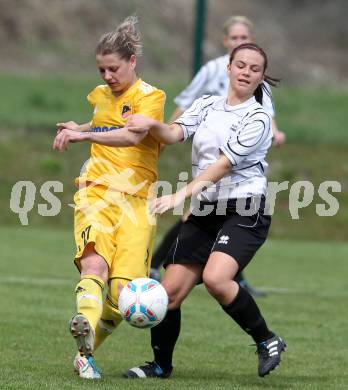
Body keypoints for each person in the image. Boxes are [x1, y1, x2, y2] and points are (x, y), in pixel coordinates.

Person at [123, 43, 286, 379]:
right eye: (240, 65)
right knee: (168, 294)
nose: (245, 72)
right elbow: (173, 133)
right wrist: (151, 124)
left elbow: (223, 166)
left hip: (244, 208)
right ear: (228, 68)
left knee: (216, 278)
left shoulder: (258, 117)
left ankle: (267, 340)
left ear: (260, 78)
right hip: (207, 209)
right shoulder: (208, 105)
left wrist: (180, 196)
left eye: (254, 69)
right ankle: (160, 366)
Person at [52, 16, 165, 379]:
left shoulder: (151, 98)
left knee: (120, 297)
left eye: (113, 69)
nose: (107, 77)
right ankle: (84, 339)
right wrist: (79, 127)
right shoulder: (101, 95)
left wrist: (85, 137)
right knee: (94, 266)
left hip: (138, 201)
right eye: (101, 69)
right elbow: (103, 120)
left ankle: (86, 350)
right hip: (97, 190)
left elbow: (132, 137)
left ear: (132, 62)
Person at [150, 16, 285, 295]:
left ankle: (231, 280)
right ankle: (163, 267)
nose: (240, 43)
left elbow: (266, 115)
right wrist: (161, 131)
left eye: (244, 38)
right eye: (234, 39)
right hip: (209, 175)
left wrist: (274, 131)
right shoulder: (211, 74)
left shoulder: (256, 107)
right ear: (227, 48)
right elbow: (185, 105)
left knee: (224, 226)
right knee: (197, 222)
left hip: (237, 173)